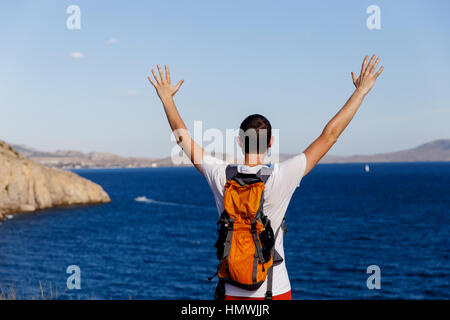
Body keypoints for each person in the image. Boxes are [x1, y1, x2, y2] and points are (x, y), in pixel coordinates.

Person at [147, 55, 384, 299]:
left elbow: (182, 139)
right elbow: (330, 135)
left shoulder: (220, 174)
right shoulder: (282, 175)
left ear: (239, 141)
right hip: (275, 289)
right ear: (270, 142)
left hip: (231, 290)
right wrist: (361, 91)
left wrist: (166, 99)